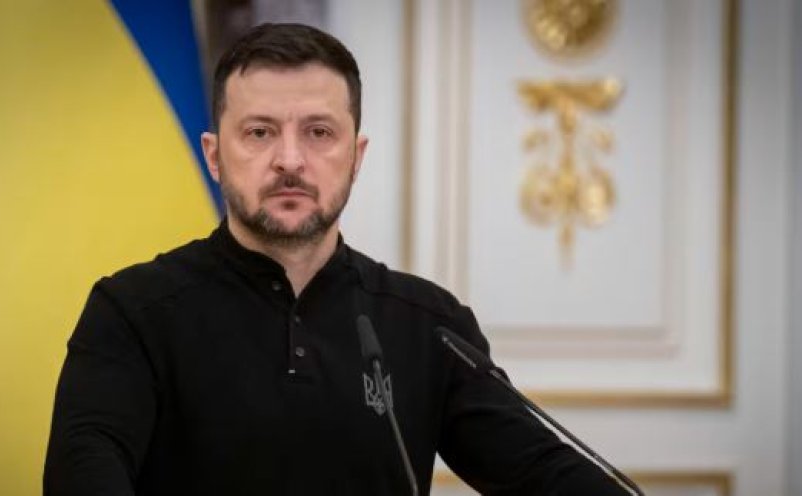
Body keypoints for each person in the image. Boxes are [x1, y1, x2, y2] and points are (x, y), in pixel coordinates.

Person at [44, 23, 631, 495]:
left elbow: (542, 472)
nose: (290, 160)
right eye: (259, 133)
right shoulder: (131, 312)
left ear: (356, 156)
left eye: (319, 133)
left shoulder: (431, 327)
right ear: (215, 156)